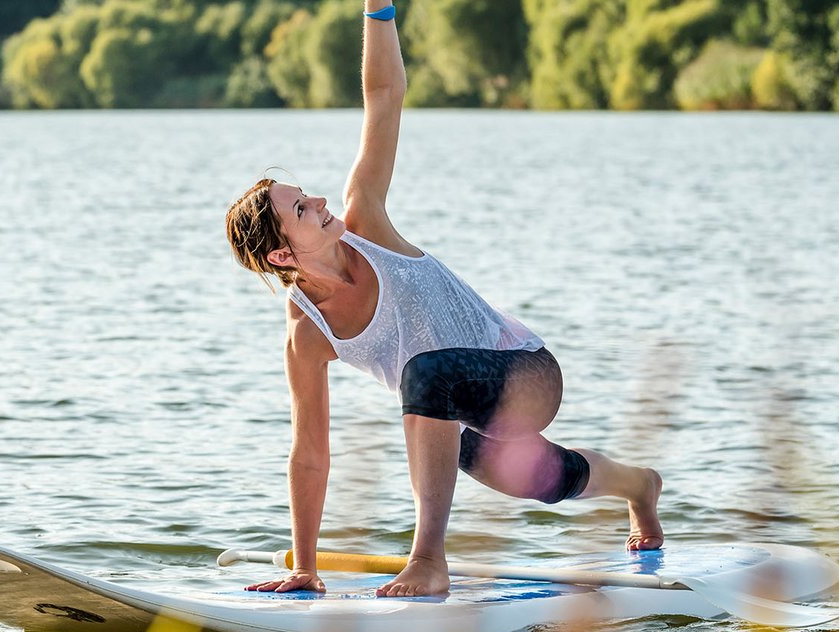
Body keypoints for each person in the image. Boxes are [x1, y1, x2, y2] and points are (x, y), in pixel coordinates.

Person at [222, 1, 662, 598]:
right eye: (301, 209)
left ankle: (429, 560)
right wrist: (305, 565)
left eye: (307, 195)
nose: (320, 201)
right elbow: (310, 453)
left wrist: (379, 11)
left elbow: (383, 97)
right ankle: (640, 487)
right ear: (280, 255)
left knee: (425, 374)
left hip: (526, 372)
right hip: (455, 417)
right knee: (547, 480)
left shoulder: (366, 223)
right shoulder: (307, 336)